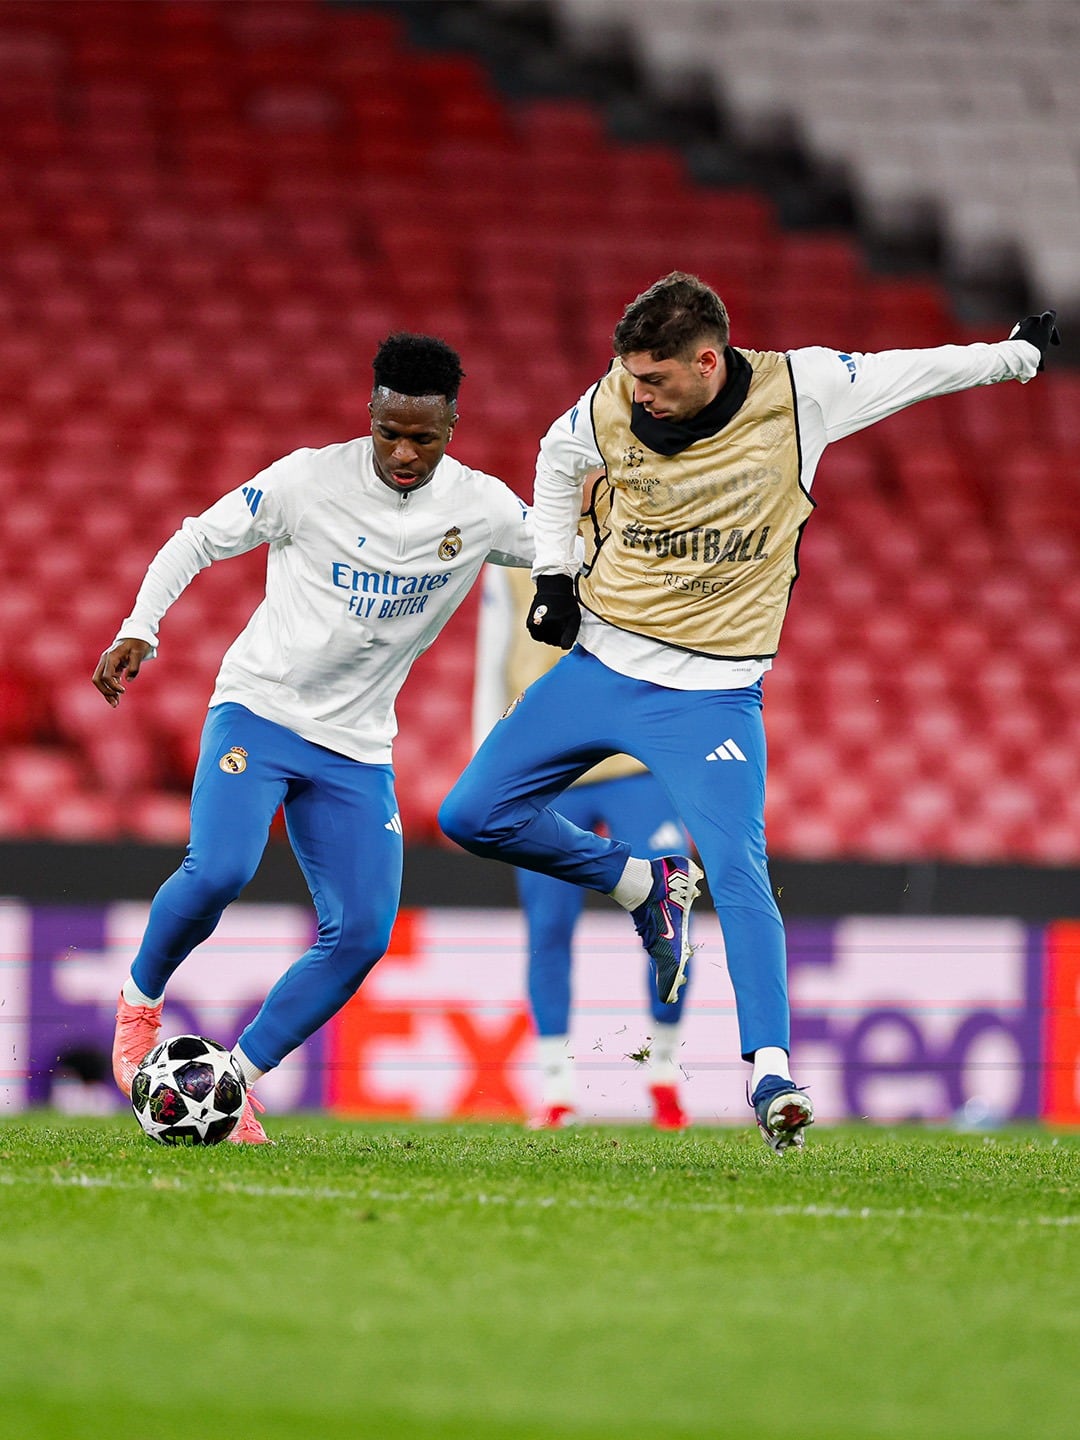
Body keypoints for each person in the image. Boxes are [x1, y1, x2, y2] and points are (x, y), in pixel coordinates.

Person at [439, 272, 1060, 1152]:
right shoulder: (610, 400)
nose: (636, 393)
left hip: (712, 694)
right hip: (601, 665)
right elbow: (554, 456)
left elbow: (912, 372)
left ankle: (771, 1074)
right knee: (468, 814)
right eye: (629, 378)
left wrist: (1017, 357)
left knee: (738, 872)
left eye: (653, 379)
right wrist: (550, 574)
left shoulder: (802, 392)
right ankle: (638, 886)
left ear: (707, 360)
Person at [95, 332, 534, 1143]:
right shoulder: (306, 480)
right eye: (390, 432)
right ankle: (138, 1012)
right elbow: (198, 536)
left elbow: (570, 555)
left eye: (424, 438)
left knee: (364, 932)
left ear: (453, 428)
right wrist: (140, 627)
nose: (404, 453)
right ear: (369, 412)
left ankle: (235, 1080)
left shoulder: (482, 507)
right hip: (260, 711)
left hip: (358, 746)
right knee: (222, 867)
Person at [476, 551, 693, 1130]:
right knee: (549, 925)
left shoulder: (646, 536)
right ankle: (556, 1090)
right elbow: (496, 649)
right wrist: (489, 759)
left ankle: (665, 1079)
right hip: (549, 760)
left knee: (672, 912)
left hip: (636, 763)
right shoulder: (514, 546)